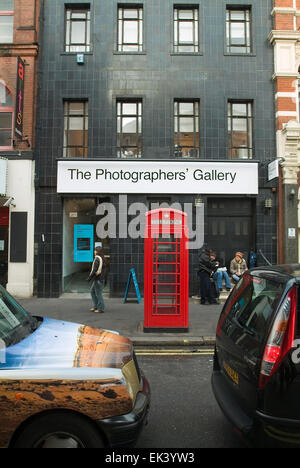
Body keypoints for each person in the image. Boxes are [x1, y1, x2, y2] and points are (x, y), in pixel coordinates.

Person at [87, 246, 106, 313]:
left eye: (95, 250)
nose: (94, 251)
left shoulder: (97, 259)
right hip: (99, 279)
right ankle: (96, 306)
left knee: (98, 293)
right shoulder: (102, 258)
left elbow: (94, 270)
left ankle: (101, 308)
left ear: (97, 251)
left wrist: (89, 278)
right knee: (92, 292)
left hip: (98, 279)